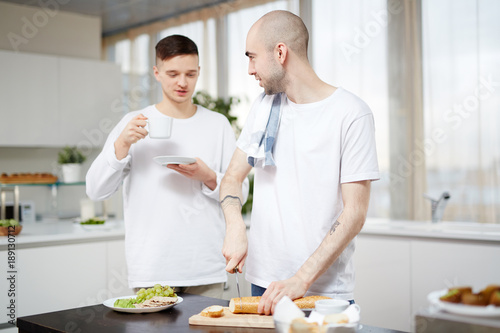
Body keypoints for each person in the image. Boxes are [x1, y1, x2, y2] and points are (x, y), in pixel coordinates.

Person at [219, 10, 379, 314]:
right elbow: (231, 178)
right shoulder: (264, 107)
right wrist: (235, 225)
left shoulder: (351, 113)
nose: (250, 69)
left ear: (280, 52)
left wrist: (300, 279)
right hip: (262, 284)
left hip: (322, 293)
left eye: (252, 57)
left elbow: (355, 213)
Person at [86, 34, 248, 298]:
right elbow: (95, 190)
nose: (182, 83)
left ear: (199, 73)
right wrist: (122, 145)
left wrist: (207, 176)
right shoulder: (134, 123)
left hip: (205, 267)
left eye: (190, 74)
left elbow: (241, 191)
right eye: (172, 73)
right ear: (156, 72)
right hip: (152, 268)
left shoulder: (218, 125)